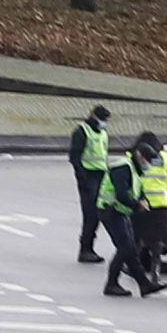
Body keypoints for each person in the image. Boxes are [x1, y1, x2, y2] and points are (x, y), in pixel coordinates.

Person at [96, 142, 167, 298]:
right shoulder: (122, 167)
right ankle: (112, 284)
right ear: (139, 156)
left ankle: (144, 285)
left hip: (120, 212)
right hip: (110, 210)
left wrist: (144, 200)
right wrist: (137, 205)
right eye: (147, 160)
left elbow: (138, 190)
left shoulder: (136, 170)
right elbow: (122, 193)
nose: (148, 165)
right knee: (125, 249)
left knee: (130, 250)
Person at [69, 105, 111, 264]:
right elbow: (75, 157)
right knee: (91, 214)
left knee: (98, 214)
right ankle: (85, 250)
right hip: (88, 177)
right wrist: (82, 178)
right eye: (102, 119)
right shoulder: (81, 131)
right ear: (93, 116)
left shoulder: (104, 133)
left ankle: (89, 249)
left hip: (101, 176)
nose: (104, 123)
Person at [132, 132, 167, 286]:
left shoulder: (134, 156)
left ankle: (136, 269)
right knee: (157, 242)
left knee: (138, 239)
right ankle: (155, 272)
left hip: (142, 204)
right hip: (161, 204)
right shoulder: (164, 158)